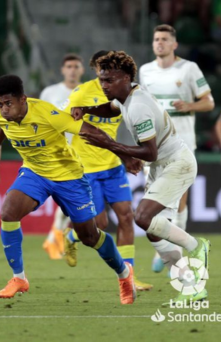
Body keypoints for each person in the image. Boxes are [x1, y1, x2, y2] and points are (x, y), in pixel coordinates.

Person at [0, 74, 140, 304]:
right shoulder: (0, 115)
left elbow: (91, 131)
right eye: (0, 104)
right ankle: (19, 278)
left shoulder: (49, 114)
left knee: (90, 236)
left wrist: (125, 153)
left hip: (69, 177)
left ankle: (124, 273)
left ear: (23, 99)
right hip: (35, 173)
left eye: (9, 103)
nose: (4, 109)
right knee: (8, 213)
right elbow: (2, 126)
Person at [76, 51, 211, 303]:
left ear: (126, 77)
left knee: (142, 217)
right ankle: (192, 288)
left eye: (110, 80)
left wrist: (110, 143)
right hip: (164, 165)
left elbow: (149, 152)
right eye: (102, 80)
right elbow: (112, 109)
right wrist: (86, 109)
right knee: (153, 231)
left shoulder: (138, 106)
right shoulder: (129, 94)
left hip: (177, 164)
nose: (104, 85)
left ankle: (196, 246)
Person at [52, 51, 152, 291]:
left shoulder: (120, 92)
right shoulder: (82, 93)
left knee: (127, 217)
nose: (103, 72)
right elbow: (58, 122)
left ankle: (129, 275)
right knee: (100, 224)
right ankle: (71, 236)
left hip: (112, 166)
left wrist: (124, 155)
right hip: (86, 169)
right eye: (99, 68)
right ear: (95, 69)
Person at [139, 24, 215, 272]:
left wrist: (189, 106)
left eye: (164, 39)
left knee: (178, 201)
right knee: (152, 201)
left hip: (181, 143)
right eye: (156, 39)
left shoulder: (189, 68)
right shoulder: (145, 71)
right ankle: (164, 249)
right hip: (152, 145)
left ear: (174, 44)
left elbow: (209, 103)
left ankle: (177, 252)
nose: (159, 43)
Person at [39, 53, 84, 260]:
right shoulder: (50, 92)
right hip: (53, 150)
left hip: (78, 152)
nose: (72, 70)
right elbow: (38, 120)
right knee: (66, 196)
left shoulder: (86, 92)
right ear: (62, 70)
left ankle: (53, 238)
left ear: (82, 70)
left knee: (69, 196)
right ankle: (54, 238)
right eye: (69, 66)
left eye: (76, 66)